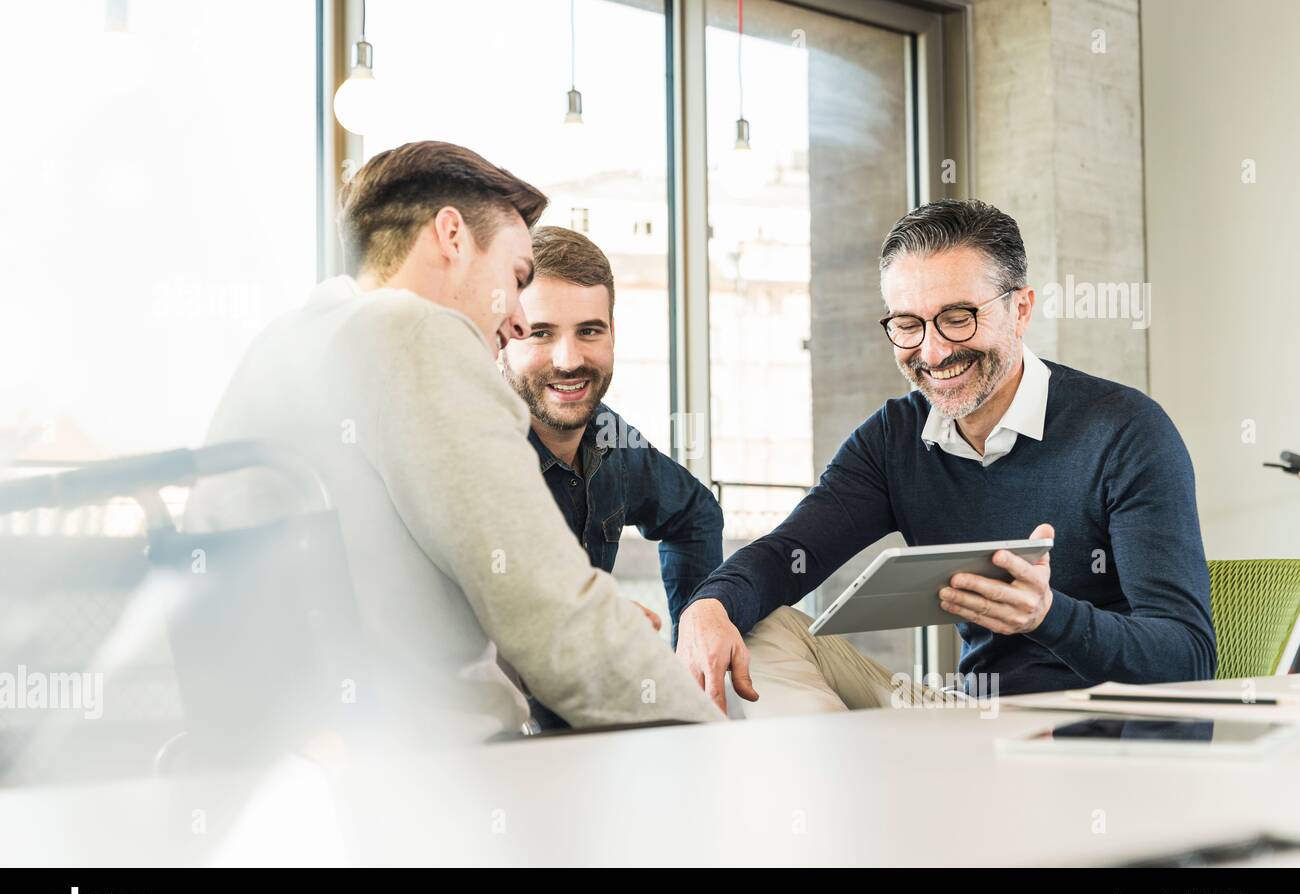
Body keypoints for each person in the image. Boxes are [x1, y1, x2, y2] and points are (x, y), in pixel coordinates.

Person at [186, 141, 720, 746]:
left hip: (292, 750)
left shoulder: (288, 340)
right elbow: (557, 622)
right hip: (440, 764)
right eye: (516, 278)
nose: (517, 320)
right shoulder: (415, 334)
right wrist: (714, 747)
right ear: (451, 236)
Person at [675, 199, 1216, 716]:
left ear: (1020, 309)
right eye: (908, 324)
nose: (933, 352)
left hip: (1097, 723)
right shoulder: (894, 438)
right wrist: (708, 605)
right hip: (968, 719)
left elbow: (1187, 659)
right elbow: (786, 555)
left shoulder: (1126, 431)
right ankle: (830, 773)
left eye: (958, 317)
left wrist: (1050, 616)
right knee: (755, 622)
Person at [499, 226, 724, 728]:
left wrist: (693, 635)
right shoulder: (472, 446)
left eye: (589, 331)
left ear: (613, 334)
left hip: (591, 720)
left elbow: (695, 513)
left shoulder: (608, 435)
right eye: (540, 332)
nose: (569, 360)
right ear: (502, 336)